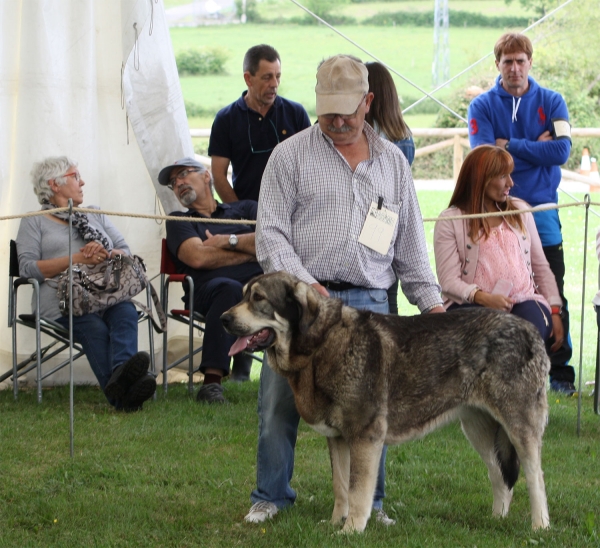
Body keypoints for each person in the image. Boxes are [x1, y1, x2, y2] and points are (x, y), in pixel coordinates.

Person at [245, 54, 444, 525]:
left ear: (368, 102)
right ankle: (269, 495)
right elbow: (270, 234)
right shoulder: (289, 155)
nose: (335, 120)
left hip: (372, 301)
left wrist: (433, 305)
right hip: (301, 307)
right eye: (327, 110)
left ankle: (369, 504)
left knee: (372, 413)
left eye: (346, 111)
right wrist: (304, 287)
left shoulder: (393, 162)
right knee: (278, 403)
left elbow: (410, 244)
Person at [467, 32, 575, 395]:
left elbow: (561, 150)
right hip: (495, 212)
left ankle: (560, 373)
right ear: (497, 64)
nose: (514, 68)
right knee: (495, 287)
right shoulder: (482, 106)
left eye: (520, 61)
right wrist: (533, 148)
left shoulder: (552, 100)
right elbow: (483, 156)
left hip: (543, 209)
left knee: (551, 284)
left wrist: (510, 145)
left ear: (530, 62)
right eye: (507, 61)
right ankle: (493, 374)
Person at [16, 156, 156, 411]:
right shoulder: (34, 220)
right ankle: (124, 399)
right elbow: (28, 268)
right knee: (94, 327)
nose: (83, 182)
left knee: (125, 311)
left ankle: (121, 377)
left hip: (105, 293)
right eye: (75, 176)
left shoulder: (94, 215)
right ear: (55, 184)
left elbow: (124, 251)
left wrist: (106, 251)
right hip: (63, 301)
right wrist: (77, 258)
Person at [434, 145, 564, 350]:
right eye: (503, 176)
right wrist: (483, 297)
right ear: (481, 179)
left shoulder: (520, 209)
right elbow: (448, 281)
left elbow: (540, 266)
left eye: (510, 175)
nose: (511, 183)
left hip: (524, 299)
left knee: (526, 338)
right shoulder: (450, 220)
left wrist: (555, 310)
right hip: (471, 305)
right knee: (490, 345)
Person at [158, 157, 263, 402]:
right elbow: (198, 258)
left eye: (184, 174)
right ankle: (211, 384)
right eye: (174, 182)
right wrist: (249, 253)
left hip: (258, 287)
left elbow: (271, 241)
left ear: (206, 176)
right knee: (228, 288)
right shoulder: (179, 220)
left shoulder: (245, 209)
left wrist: (225, 242)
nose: (179, 183)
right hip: (206, 290)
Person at [208, 44, 311, 203]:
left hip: (293, 213)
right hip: (248, 216)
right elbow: (218, 175)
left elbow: (311, 164)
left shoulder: (296, 113)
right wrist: (240, 214)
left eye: (278, 76)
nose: (274, 84)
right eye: (267, 77)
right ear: (248, 78)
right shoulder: (226, 119)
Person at [365, 60, 416, 315]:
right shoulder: (403, 134)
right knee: (389, 288)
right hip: (389, 220)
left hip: (370, 218)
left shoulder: (367, 133)